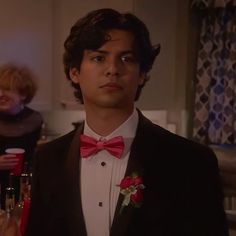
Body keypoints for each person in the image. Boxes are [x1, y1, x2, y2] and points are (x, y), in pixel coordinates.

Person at [26, 8, 229, 236]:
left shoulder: (191, 161)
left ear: (142, 74)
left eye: (126, 59)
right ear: (75, 72)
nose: (113, 69)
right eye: (99, 58)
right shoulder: (48, 159)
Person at [0, 63, 43, 209]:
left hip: (25, 193)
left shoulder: (35, 120)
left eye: (6, 89)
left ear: (23, 94)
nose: (0, 95)